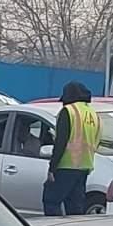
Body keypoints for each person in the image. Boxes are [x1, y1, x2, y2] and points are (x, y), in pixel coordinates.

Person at [43, 80, 102, 217]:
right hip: (85, 166)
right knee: (75, 206)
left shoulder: (68, 111)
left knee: (51, 200)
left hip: (66, 165)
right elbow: (97, 141)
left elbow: (60, 142)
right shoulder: (93, 114)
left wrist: (52, 168)